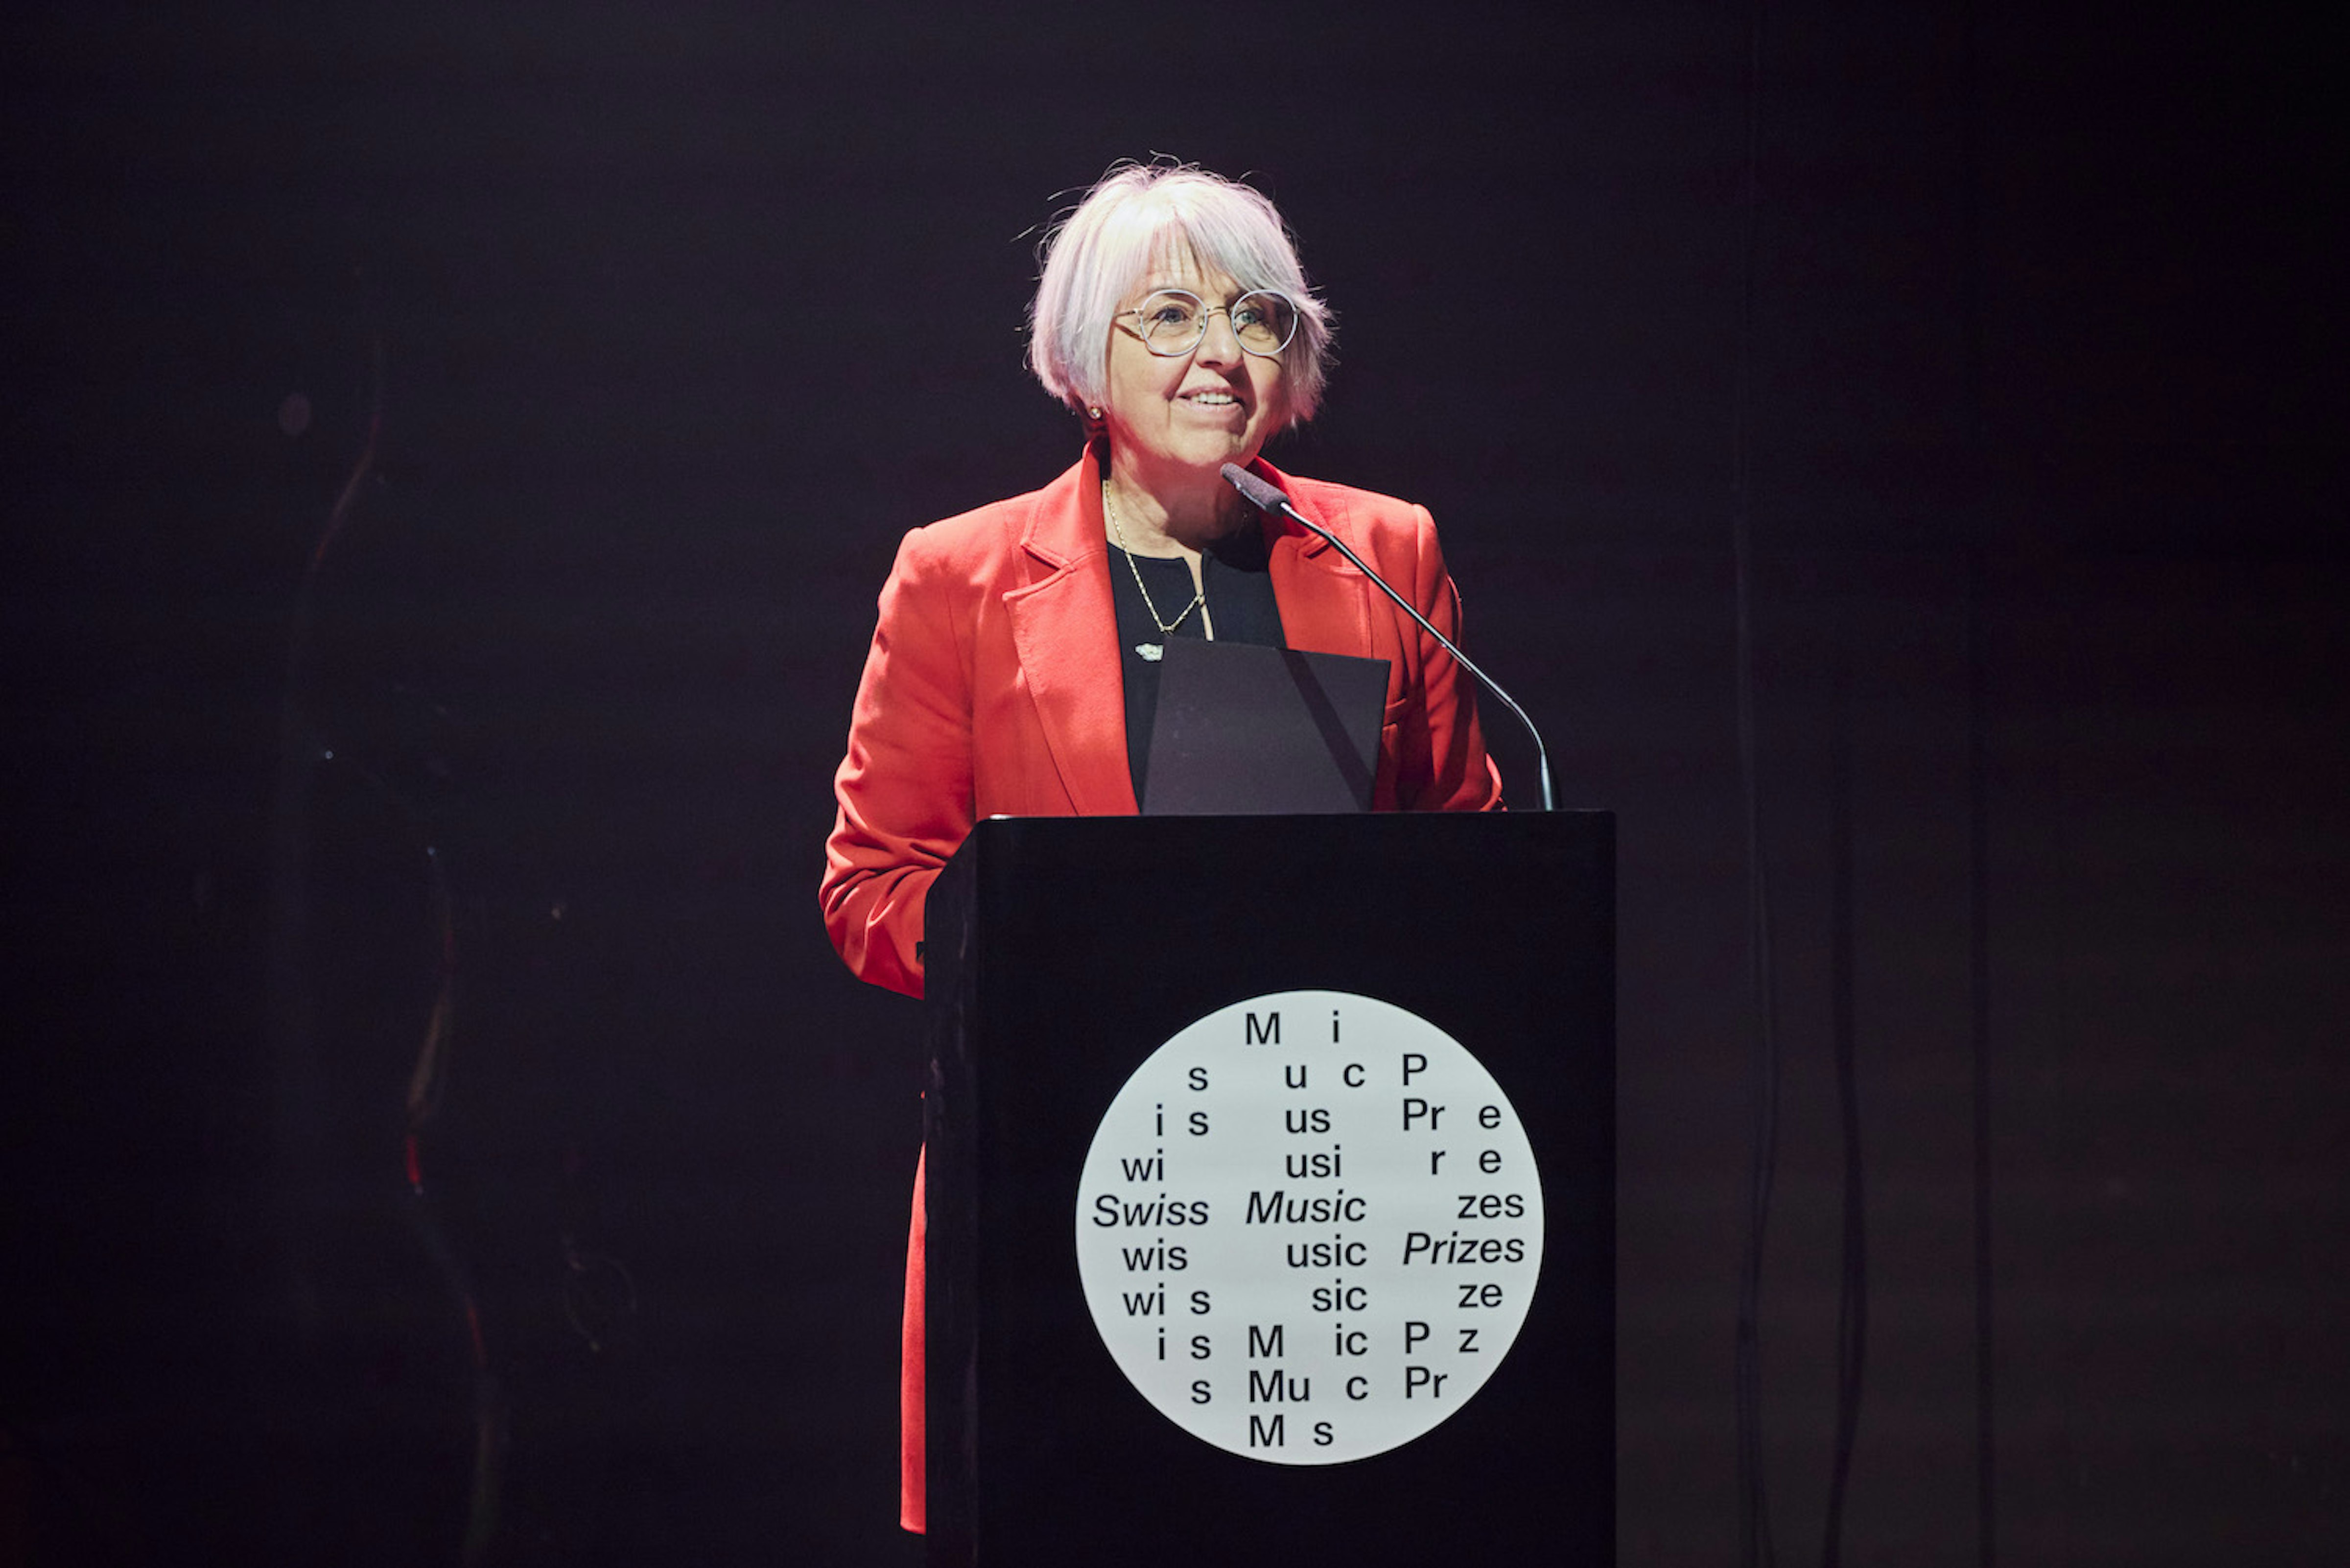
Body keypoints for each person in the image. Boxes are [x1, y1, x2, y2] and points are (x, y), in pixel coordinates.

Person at [818, 162, 1504, 1533]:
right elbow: (871, 888)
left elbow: (1472, 871)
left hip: (1326, 1188)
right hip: (1060, 1175)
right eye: (1171, 315)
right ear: (1085, 354)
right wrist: (1049, 936)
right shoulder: (959, 579)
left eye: (1255, 316)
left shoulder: (1385, 554)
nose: (1220, 352)